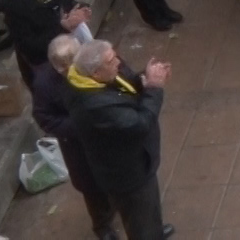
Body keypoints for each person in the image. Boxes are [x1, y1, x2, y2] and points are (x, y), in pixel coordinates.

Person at [64, 39, 174, 240]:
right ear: (96, 73)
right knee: (141, 219)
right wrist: (155, 89)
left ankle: (154, 230)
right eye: (111, 60)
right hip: (128, 173)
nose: (118, 63)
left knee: (148, 211)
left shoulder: (92, 78)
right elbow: (140, 124)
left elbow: (127, 84)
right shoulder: (96, 106)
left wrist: (146, 79)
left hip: (138, 161)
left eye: (115, 55)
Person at [32, 35, 116, 240]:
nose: (68, 71)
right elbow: (45, 118)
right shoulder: (44, 83)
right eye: (62, 67)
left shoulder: (96, 61)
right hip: (79, 145)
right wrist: (80, 125)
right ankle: (102, 225)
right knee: (92, 187)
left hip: (110, 135)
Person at [3, 0, 88, 88]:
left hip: (70, 53)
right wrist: (63, 27)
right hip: (45, 63)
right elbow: (29, 46)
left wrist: (82, 8)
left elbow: (68, 2)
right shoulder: (16, 6)